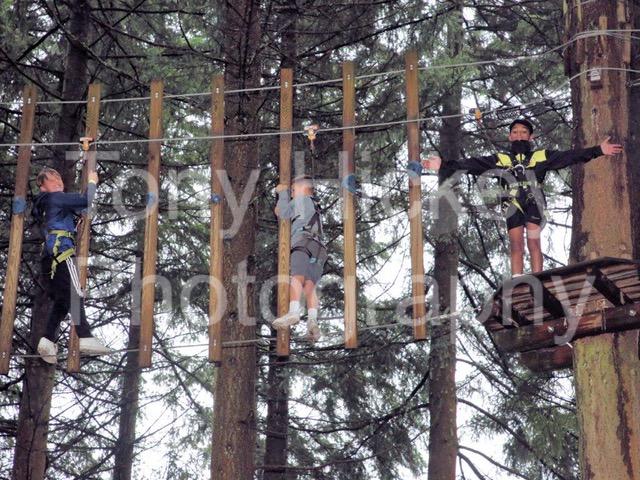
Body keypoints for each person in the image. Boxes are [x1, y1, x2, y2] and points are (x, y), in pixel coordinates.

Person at [422, 118, 623, 275]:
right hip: (511, 203)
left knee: (533, 242)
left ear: (530, 137)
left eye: (524, 132)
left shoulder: (541, 156)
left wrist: (598, 150)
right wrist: (444, 165)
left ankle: (538, 277)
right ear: (510, 137)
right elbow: (472, 165)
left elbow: (569, 156)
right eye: (515, 132)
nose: (519, 135)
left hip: (533, 200)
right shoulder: (500, 159)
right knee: (516, 244)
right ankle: (517, 280)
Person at [31, 167, 111, 364]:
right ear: (43, 186)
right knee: (76, 293)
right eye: (53, 179)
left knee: (62, 300)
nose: (59, 181)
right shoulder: (56, 198)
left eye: (59, 177)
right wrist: (92, 182)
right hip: (62, 253)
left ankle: (47, 340)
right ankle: (86, 337)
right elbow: (85, 200)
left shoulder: (45, 204)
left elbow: (71, 211)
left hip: (48, 259)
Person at [272, 175, 328, 342]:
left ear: (303, 188)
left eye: (293, 189)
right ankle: (312, 321)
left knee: (297, 277)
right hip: (319, 248)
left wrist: (282, 193)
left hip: (303, 241)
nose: (291, 193)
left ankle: (294, 312)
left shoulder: (302, 200)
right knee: (310, 286)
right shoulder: (315, 205)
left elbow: (281, 213)